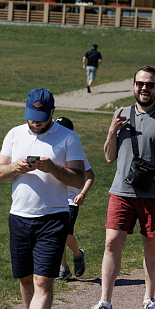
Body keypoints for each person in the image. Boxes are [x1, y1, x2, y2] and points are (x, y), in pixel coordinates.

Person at [81, 66, 155, 309]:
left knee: (152, 247)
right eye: (140, 84)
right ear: (134, 86)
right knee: (111, 244)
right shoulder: (121, 114)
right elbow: (108, 156)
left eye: (149, 84)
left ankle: (149, 300)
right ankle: (105, 303)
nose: (144, 88)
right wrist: (112, 130)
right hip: (122, 192)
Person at [0, 88, 86, 309]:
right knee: (25, 279)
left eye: (41, 118)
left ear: (52, 113)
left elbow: (80, 179)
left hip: (53, 219)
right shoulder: (14, 134)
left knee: (43, 280)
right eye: (32, 117)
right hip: (20, 217)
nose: (35, 122)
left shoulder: (68, 137)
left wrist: (52, 168)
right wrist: (17, 168)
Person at [54, 117, 95, 281]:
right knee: (57, 235)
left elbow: (90, 176)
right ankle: (63, 269)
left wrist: (82, 194)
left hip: (72, 200)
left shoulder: (77, 152)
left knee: (65, 234)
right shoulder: (53, 150)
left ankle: (78, 255)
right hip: (55, 199)